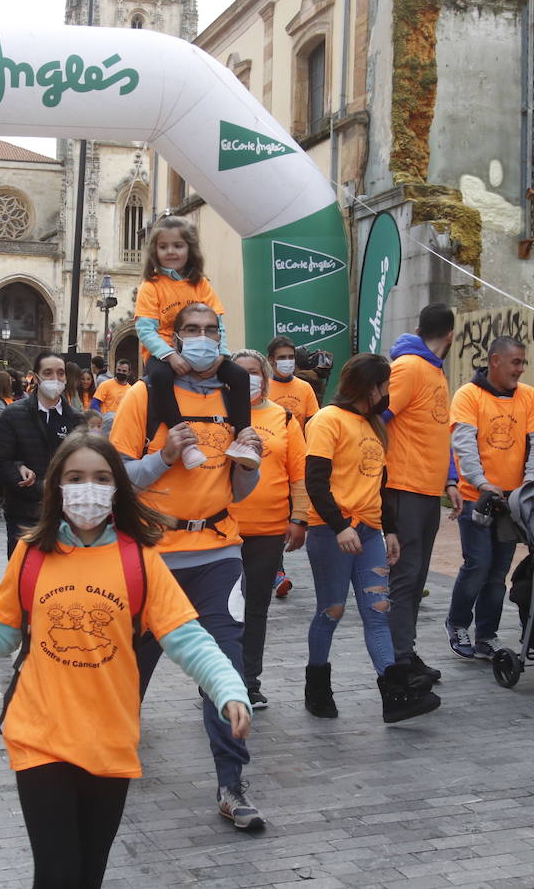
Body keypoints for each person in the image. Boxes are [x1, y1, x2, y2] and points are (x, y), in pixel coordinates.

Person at [0, 432, 251, 888]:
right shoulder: (31, 554)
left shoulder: (140, 558)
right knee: (58, 874)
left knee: (87, 874)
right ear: (56, 486)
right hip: (40, 738)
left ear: (118, 487)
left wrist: (228, 688)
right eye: (76, 477)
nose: (88, 487)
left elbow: (186, 638)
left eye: (101, 477)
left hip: (110, 741)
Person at [110, 301, 267, 830]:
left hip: (220, 553)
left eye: (210, 331)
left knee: (225, 670)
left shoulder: (235, 394)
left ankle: (231, 784)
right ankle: (108, 753)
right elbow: (117, 477)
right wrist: (164, 458)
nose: (202, 339)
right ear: (174, 339)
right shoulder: (144, 394)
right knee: (133, 668)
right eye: (191, 331)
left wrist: (250, 460)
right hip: (154, 557)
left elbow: (238, 488)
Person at [301, 352, 441, 724]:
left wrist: (389, 530)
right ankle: (317, 687)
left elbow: (380, 484)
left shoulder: (375, 425)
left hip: (368, 530)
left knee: (379, 613)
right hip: (331, 532)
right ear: (370, 386)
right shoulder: (327, 420)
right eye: (385, 385)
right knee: (331, 611)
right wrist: (338, 526)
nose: (388, 392)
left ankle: (395, 694)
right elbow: (315, 481)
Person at [447, 337, 534, 662]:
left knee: (497, 572)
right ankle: (458, 624)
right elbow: (464, 443)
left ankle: (485, 636)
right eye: (515, 362)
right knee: (477, 565)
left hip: (511, 504)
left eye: (522, 363)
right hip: (476, 499)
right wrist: (482, 483)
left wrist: (528, 484)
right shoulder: (468, 396)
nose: (521, 369)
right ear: (495, 361)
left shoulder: (528, 396)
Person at [135, 214, 257, 470]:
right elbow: (145, 329)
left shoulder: (201, 285)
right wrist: (170, 356)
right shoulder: (152, 285)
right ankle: (186, 441)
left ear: (189, 249)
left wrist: (221, 356)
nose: (170, 251)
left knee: (239, 376)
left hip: (203, 350)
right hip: (165, 353)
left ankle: (242, 436)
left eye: (177, 246)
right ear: (154, 251)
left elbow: (218, 324)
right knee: (160, 378)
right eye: (163, 246)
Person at [381, 303, 458, 686]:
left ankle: (406, 652)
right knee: (405, 579)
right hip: (405, 488)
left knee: (416, 578)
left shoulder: (433, 371)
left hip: (427, 491)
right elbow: (376, 416)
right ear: (451, 336)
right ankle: (397, 661)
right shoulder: (409, 368)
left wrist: (450, 481)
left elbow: (438, 433)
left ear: (417, 325)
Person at [227, 349, 307, 711]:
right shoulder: (219, 415)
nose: (248, 379)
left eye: (254, 372)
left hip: (269, 530)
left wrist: (300, 518)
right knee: (225, 610)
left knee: (256, 609)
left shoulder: (283, 417)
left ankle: (249, 682)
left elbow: (299, 472)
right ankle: (218, 679)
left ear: (265, 376)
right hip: (222, 531)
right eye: (240, 373)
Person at [0, 351, 87, 559]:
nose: (55, 379)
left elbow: (83, 466)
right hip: (24, 513)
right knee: (25, 574)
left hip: (65, 515)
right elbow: (1, 461)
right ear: (36, 377)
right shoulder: (12, 415)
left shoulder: (76, 420)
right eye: (48, 373)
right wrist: (23, 472)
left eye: (60, 373)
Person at [265, 335, 320, 427]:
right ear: (271, 360)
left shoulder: (305, 387)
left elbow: (313, 422)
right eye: (282, 357)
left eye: (291, 357)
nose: (287, 361)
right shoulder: (263, 388)